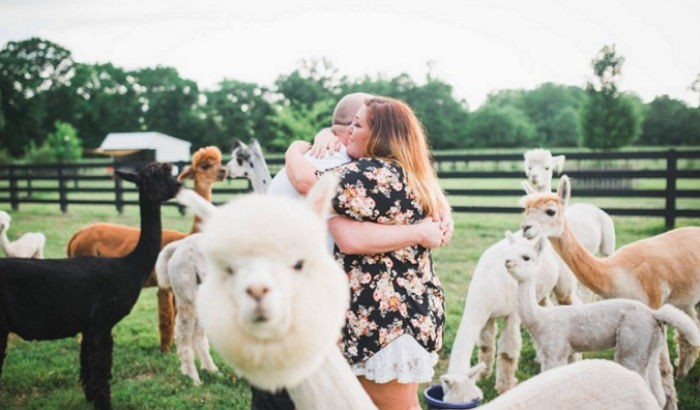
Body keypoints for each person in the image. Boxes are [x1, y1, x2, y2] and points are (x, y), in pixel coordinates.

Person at [251, 94, 449, 410]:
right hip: (407, 312)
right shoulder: (411, 173)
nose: (349, 133)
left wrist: (296, 147)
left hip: (385, 320)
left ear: (379, 134)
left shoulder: (368, 174)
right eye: (351, 124)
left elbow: (341, 230)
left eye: (359, 125)